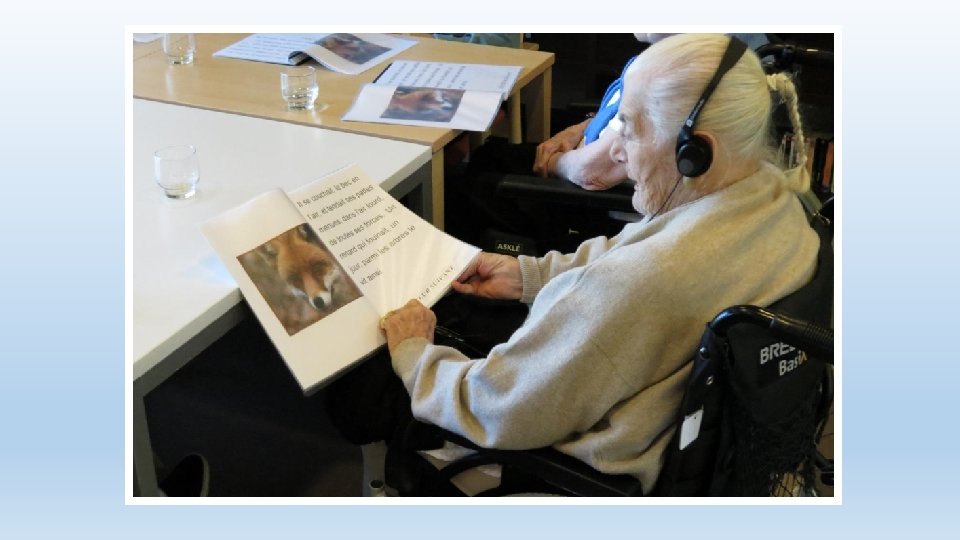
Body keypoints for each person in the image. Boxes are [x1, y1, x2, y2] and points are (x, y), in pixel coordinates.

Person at [327, 33, 818, 495]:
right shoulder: (776, 200)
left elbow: (497, 409)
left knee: (359, 377)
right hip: (659, 416)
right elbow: (632, 252)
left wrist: (414, 354)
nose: (617, 152)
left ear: (696, 152)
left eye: (630, 130)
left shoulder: (642, 283)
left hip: (557, 458)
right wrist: (528, 276)